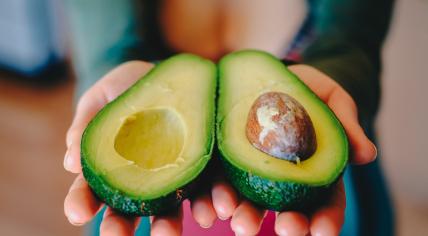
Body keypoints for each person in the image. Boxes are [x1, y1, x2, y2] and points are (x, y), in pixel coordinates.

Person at [62, 0, 394, 235]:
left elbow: (353, 47)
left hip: (314, 197)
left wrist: (342, 82)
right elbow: (102, 36)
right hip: (163, 208)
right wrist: (109, 75)